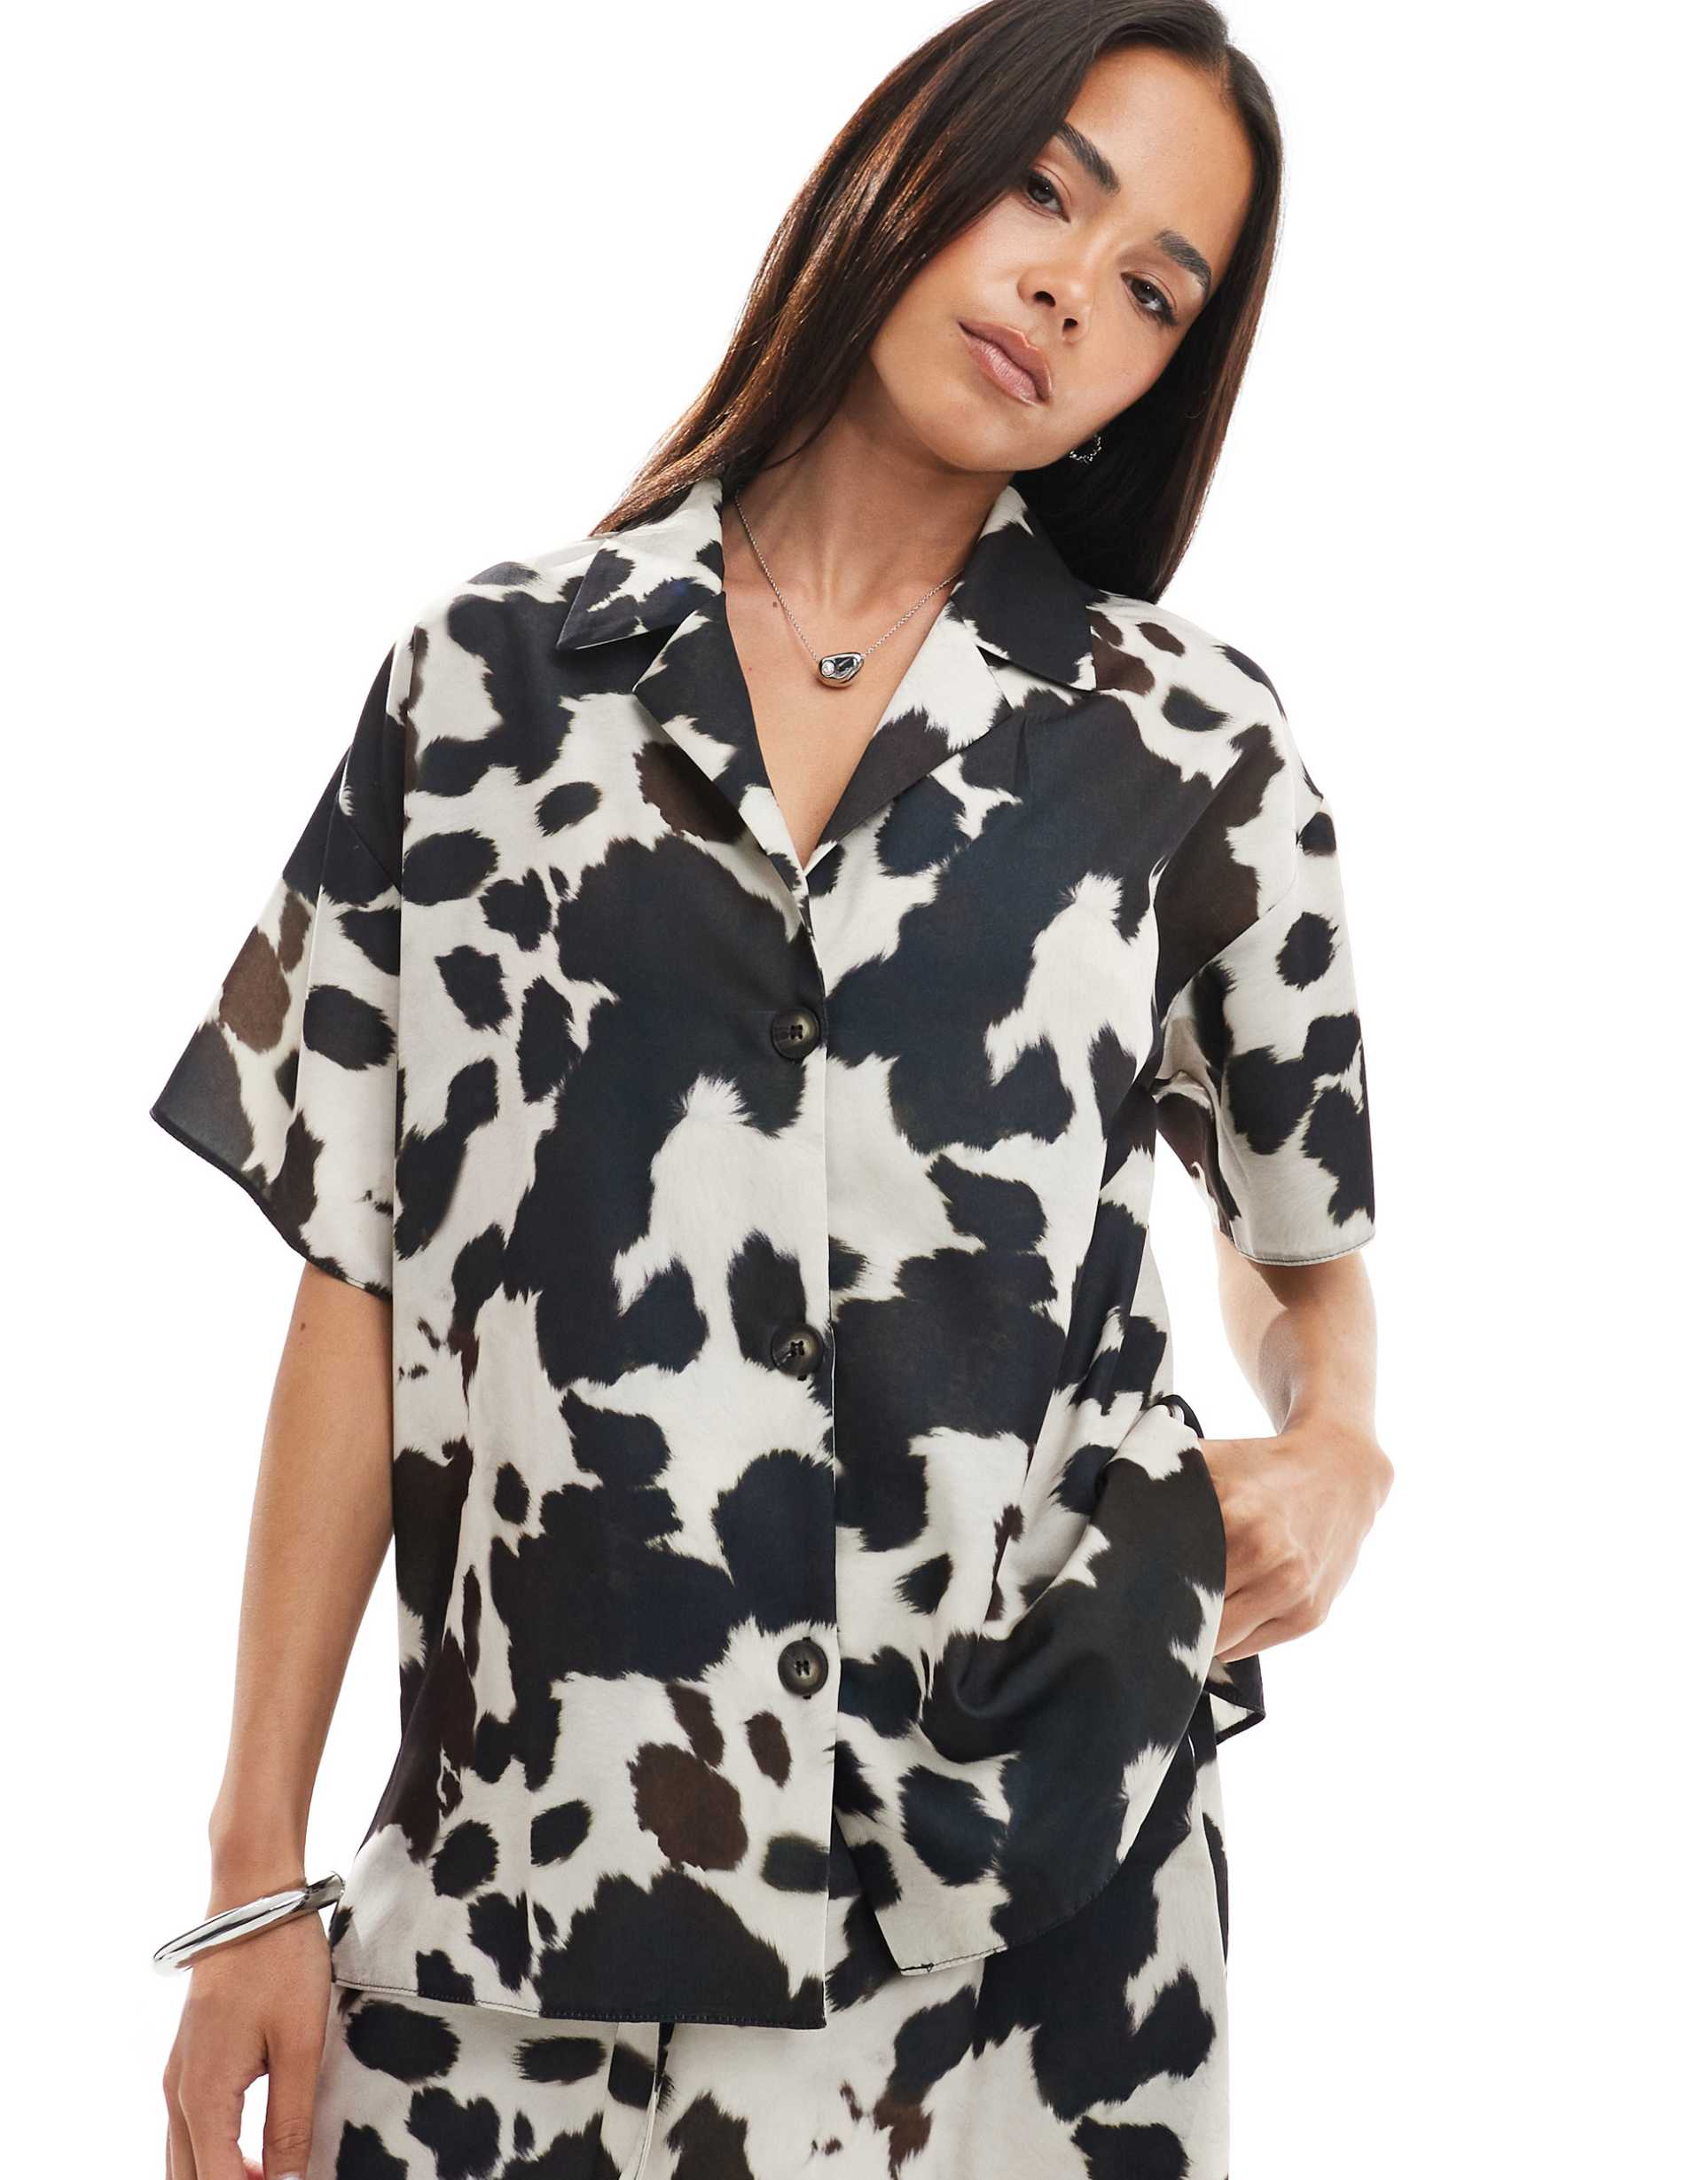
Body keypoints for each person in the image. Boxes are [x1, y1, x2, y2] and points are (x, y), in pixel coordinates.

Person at [150, 4, 1391, 2173]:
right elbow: (358, 1276)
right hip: (523, 1909)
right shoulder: (489, 686)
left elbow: (1304, 1242)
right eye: (1049, 191)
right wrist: (257, 1874)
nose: (1067, 293)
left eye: (1153, 289)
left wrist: (1340, 1442)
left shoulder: (1194, 746)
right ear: (913, 154)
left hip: (1027, 1931)